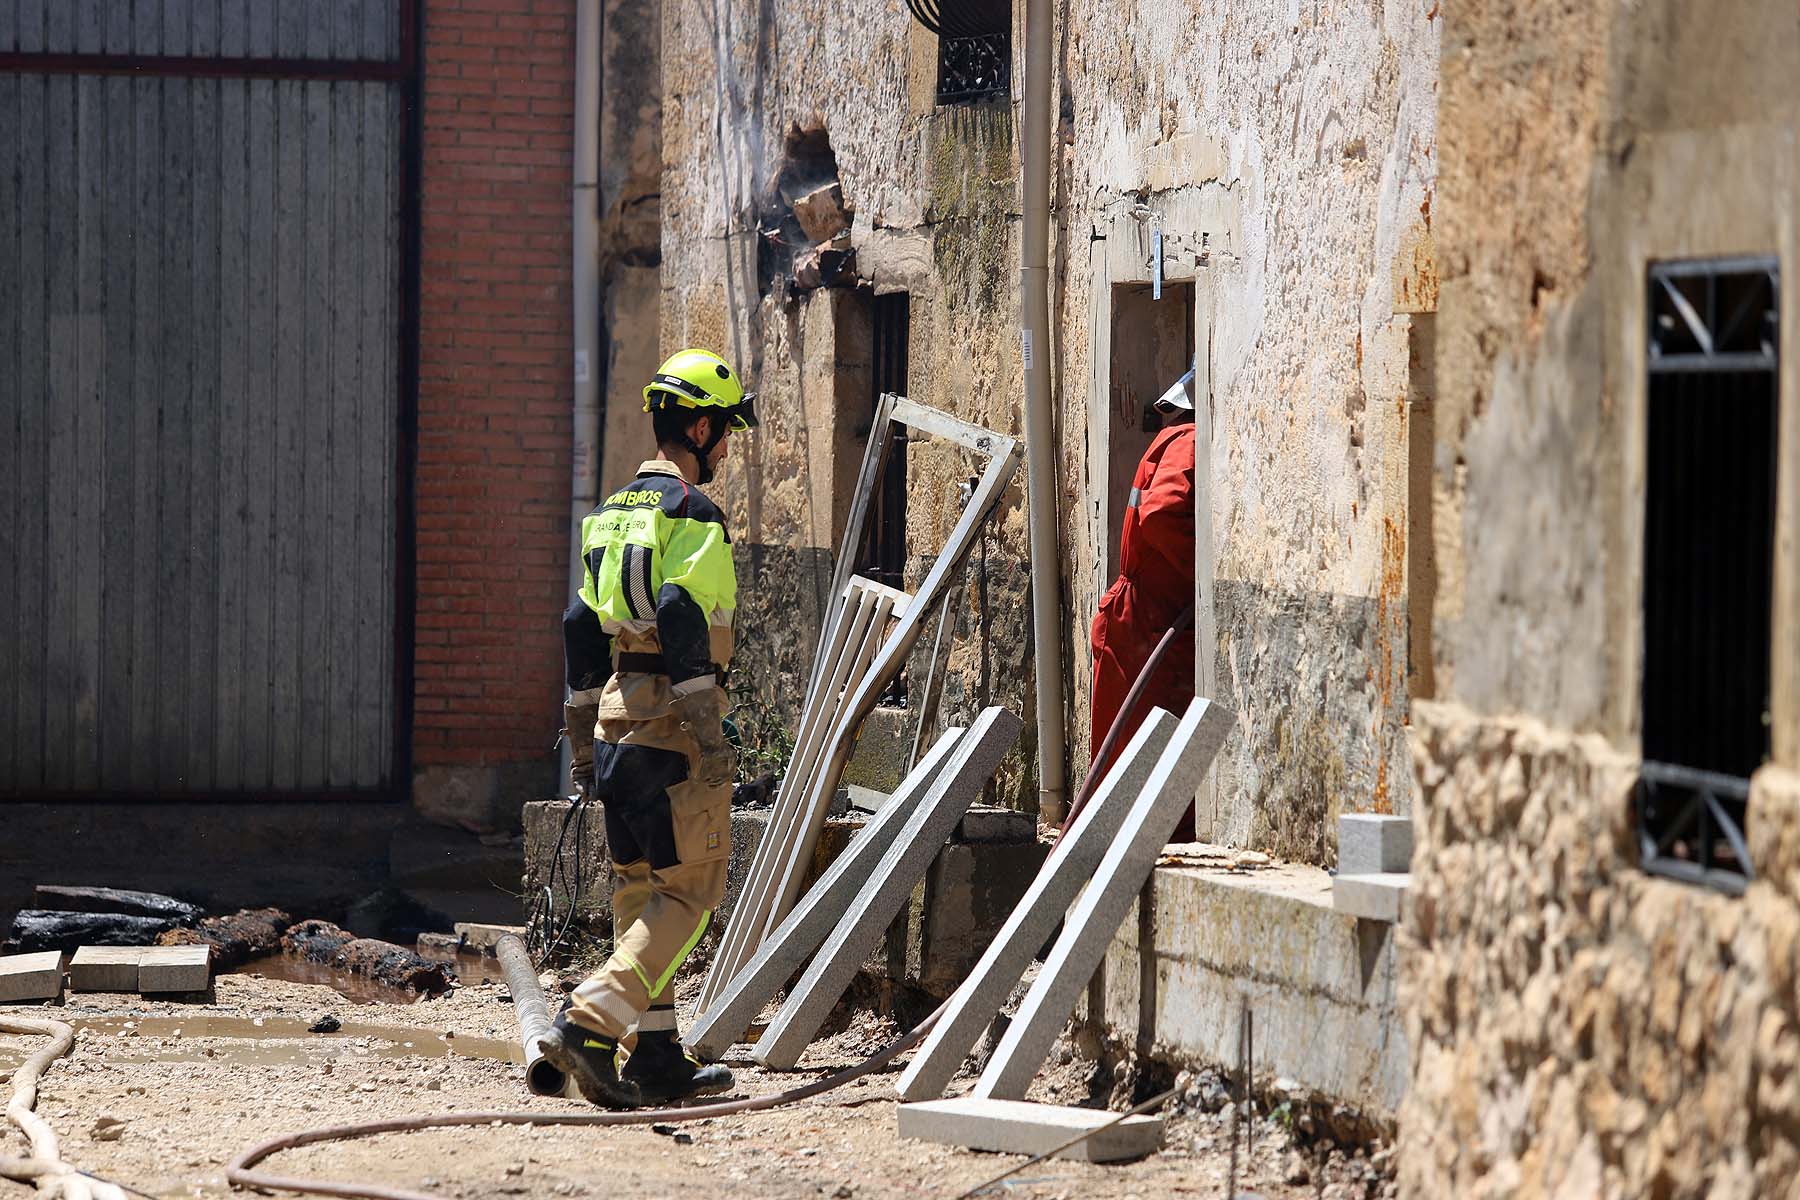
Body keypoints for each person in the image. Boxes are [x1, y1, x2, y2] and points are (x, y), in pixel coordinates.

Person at [545, 348, 757, 1108]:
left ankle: (657, 1055)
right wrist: (707, 731)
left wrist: (578, 741)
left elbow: (577, 623)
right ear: (697, 427)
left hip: (612, 721)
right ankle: (593, 1021)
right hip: (669, 722)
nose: (727, 446)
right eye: (725, 430)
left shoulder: (609, 513)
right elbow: (679, 610)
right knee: (691, 896)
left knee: (639, 888)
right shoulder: (693, 514)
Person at [1090, 367, 1198, 841]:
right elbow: (1160, 515)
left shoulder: (1171, 442)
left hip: (1136, 620)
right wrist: (1199, 576)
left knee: (1121, 773)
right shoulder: (1191, 441)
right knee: (1137, 777)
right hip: (1148, 623)